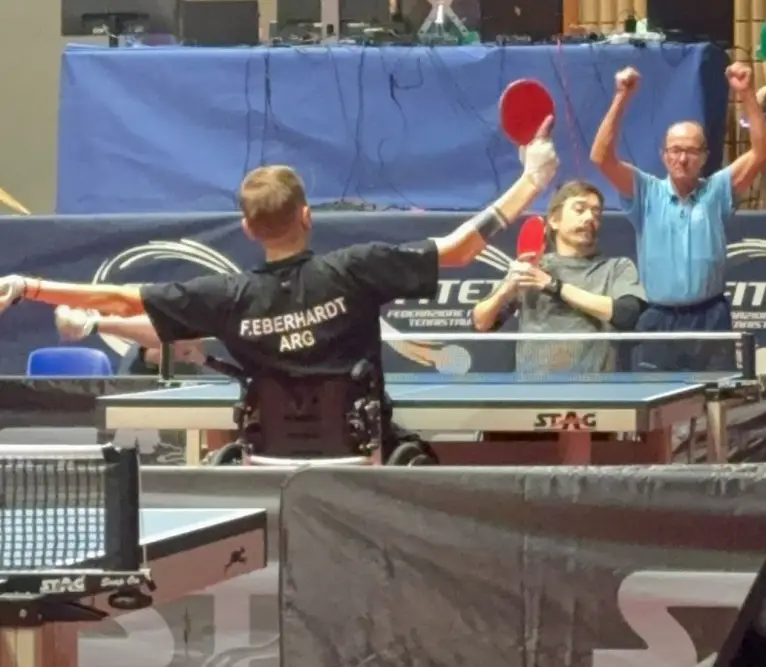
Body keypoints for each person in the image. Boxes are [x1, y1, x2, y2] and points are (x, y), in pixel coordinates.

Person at [0, 118, 560, 459]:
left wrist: (29, 285)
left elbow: (120, 298)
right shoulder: (355, 269)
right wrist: (532, 181)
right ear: (308, 216)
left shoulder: (228, 297)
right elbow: (460, 248)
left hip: (265, 455)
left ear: (247, 229)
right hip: (362, 451)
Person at [590, 62, 766, 372]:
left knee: (716, 397)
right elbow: (601, 157)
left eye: (691, 151)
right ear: (663, 156)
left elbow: (760, 153)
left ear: (705, 157)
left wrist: (747, 93)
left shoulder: (718, 190)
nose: (682, 158)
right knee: (657, 401)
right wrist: (621, 97)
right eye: (674, 150)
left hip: (711, 317)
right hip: (658, 318)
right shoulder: (645, 191)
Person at [473, 180, 646, 373]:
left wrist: (554, 285)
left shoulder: (616, 268)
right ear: (554, 221)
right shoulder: (533, 269)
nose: (590, 217)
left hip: (595, 387)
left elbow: (627, 314)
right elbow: (481, 323)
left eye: (596, 213)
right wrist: (507, 289)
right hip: (535, 387)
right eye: (580, 210)